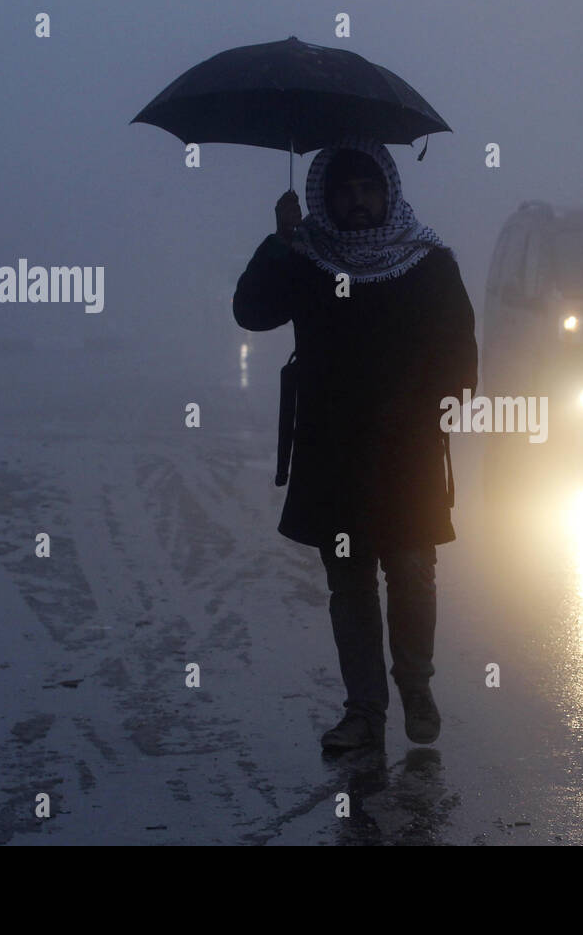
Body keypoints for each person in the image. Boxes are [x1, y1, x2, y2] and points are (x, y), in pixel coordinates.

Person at [232, 135, 478, 752]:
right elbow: (251, 311)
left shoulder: (427, 260)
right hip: (332, 450)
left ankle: (415, 687)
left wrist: (438, 412)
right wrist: (281, 240)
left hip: (409, 451)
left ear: (388, 191)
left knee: (414, 572)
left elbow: (459, 352)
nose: (357, 200)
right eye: (344, 190)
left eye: (369, 188)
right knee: (349, 583)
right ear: (327, 197)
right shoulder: (307, 255)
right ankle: (365, 712)